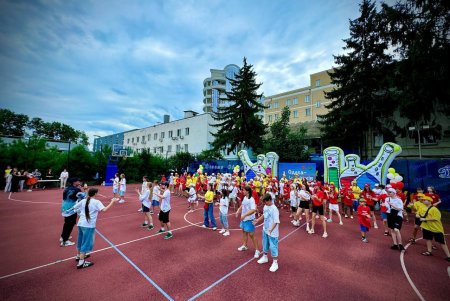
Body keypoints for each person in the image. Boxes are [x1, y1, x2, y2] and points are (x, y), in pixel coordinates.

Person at [70, 188, 116, 269]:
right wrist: (112, 202)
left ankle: (78, 256)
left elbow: (74, 208)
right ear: (95, 194)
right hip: (88, 225)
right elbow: (104, 209)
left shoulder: (84, 200)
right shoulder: (96, 202)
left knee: (80, 240)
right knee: (86, 242)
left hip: (80, 223)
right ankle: (81, 263)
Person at [253, 193, 280, 272]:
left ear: (269, 200)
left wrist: (271, 229)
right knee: (265, 243)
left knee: (273, 246)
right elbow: (264, 215)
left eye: (265, 202)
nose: (264, 204)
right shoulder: (266, 206)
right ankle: (265, 257)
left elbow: (276, 221)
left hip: (272, 232)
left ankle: (275, 263)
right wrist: (257, 220)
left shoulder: (274, 209)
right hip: (265, 229)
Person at [419, 196, 450, 261]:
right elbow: (420, 216)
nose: (423, 201)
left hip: (436, 228)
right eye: (423, 200)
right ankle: (429, 251)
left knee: (442, 242)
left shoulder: (434, 209)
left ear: (429, 201)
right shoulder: (423, 208)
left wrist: (425, 219)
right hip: (427, 227)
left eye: (425, 200)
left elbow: (437, 218)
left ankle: (448, 256)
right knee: (428, 239)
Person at [236, 186, 260, 258]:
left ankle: (257, 250)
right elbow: (242, 205)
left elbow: (253, 210)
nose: (242, 191)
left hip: (249, 219)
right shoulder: (245, 198)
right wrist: (238, 211)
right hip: (244, 219)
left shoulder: (251, 199)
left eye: (243, 190)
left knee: (252, 235)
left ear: (247, 191)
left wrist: (245, 215)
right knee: (244, 231)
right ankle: (245, 245)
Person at [60, 178, 86, 247]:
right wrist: (83, 189)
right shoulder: (77, 190)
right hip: (71, 208)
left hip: (64, 207)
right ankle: (65, 241)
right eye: (78, 181)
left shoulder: (66, 188)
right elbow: (84, 197)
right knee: (70, 224)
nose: (79, 182)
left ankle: (63, 236)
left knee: (67, 223)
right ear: (75, 182)